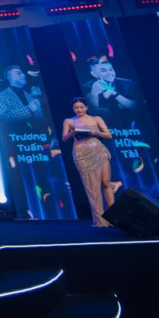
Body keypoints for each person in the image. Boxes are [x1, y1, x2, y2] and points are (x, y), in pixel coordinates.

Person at [62, 97, 122, 227]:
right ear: (73, 109)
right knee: (92, 187)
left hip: (98, 151)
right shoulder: (69, 121)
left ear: (86, 107)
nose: (79, 110)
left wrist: (95, 132)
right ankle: (100, 219)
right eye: (76, 108)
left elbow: (108, 135)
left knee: (105, 182)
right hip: (81, 154)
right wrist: (72, 133)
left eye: (81, 107)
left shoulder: (96, 118)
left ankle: (113, 216)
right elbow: (64, 138)